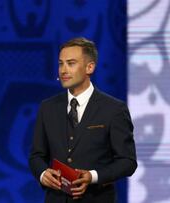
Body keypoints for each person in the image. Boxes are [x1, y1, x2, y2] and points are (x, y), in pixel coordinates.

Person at [29, 37, 137, 202]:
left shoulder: (114, 109)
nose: (63, 70)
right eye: (60, 64)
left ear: (90, 67)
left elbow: (127, 162)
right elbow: (37, 156)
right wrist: (43, 174)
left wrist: (92, 176)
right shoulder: (47, 107)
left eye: (71, 63)